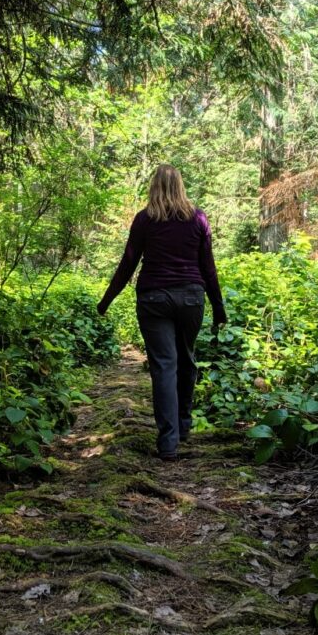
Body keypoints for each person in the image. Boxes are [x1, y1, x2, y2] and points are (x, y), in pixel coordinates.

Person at [97, 164, 226, 461]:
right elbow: (208, 266)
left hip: (154, 298)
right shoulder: (198, 218)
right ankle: (183, 425)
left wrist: (107, 300)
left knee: (165, 366)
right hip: (192, 298)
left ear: (154, 186)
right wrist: (218, 306)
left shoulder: (145, 219)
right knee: (186, 358)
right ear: (180, 185)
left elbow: (128, 263)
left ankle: (168, 442)